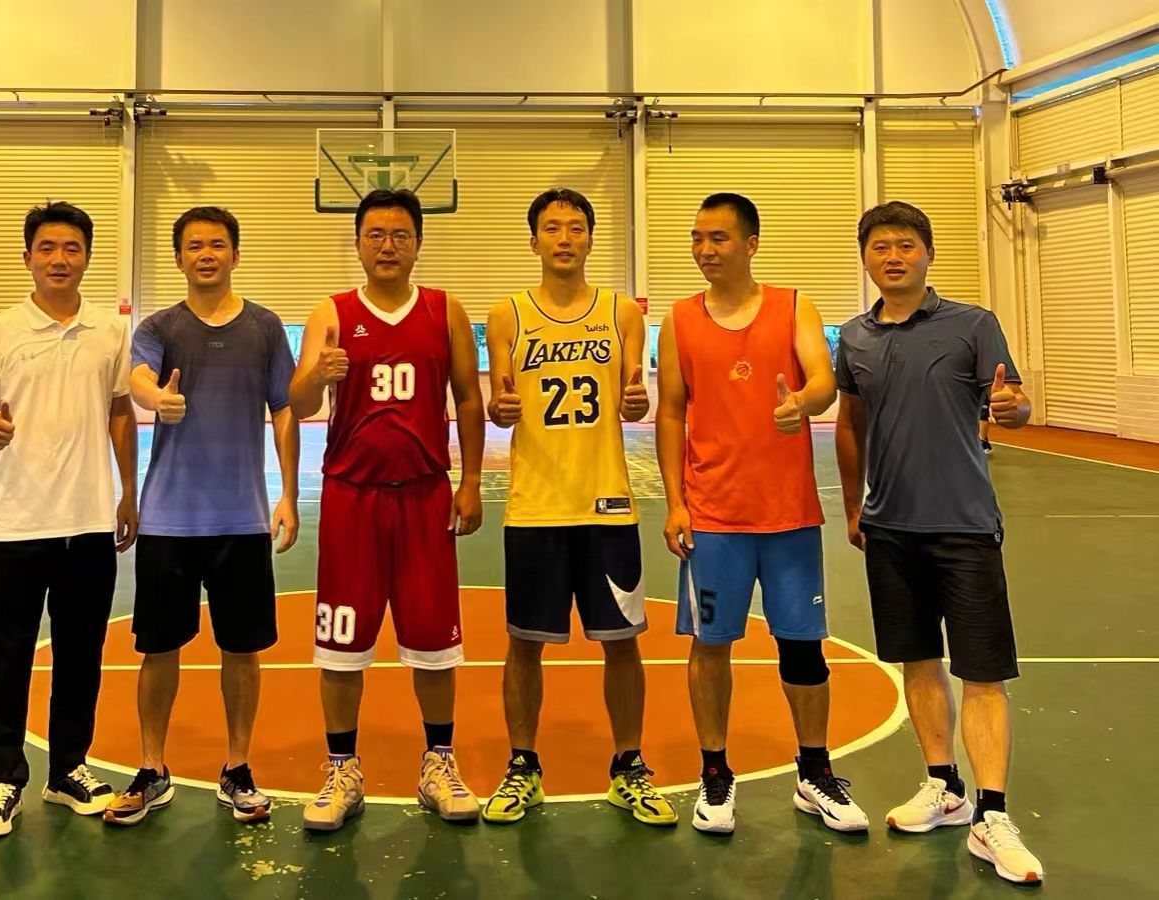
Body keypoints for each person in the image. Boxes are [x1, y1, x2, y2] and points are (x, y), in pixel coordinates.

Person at [835, 201, 1042, 884]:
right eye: (880, 247)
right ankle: (944, 787)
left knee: (982, 672)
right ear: (865, 258)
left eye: (905, 245)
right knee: (918, 661)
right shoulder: (855, 338)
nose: (892, 257)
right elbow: (850, 422)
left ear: (928, 253)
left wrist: (1013, 409)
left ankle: (993, 815)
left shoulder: (973, 325)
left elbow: (1013, 402)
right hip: (890, 529)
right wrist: (855, 505)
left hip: (965, 526)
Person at [655, 192, 868, 834]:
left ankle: (814, 772)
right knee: (710, 646)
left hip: (788, 515)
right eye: (697, 238)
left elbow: (824, 381)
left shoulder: (794, 305)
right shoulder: (679, 319)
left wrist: (802, 402)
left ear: (751, 243)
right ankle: (715, 772)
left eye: (718, 237)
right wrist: (675, 502)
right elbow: (671, 411)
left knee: (802, 647)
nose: (705, 249)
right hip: (713, 515)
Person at [289, 189, 485, 832]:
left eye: (400, 234)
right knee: (340, 646)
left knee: (435, 643)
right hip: (352, 496)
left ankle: (439, 763)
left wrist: (471, 480)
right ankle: (341, 769)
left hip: (425, 495)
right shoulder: (332, 312)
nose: (388, 245)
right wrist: (318, 373)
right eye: (375, 234)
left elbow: (468, 398)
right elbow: (296, 400)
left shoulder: (445, 310)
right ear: (357, 243)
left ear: (418, 243)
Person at [481, 188, 675, 826]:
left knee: (622, 644)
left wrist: (637, 403)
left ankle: (629, 767)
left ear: (591, 238)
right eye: (551, 228)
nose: (564, 238)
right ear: (533, 240)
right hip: (535, 506)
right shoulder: (507, 313)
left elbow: (634, 395)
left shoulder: (621, 312)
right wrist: (499, 410)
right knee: (524, 644)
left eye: (575, 228)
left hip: (607, 505)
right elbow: (499, 404)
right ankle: (523, 767)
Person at [103, 206, 300, 827]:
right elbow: (138, 377)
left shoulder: (266, 327)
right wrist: (155, 398)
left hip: (242, 520)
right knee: (159, 649)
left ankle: (238, 767)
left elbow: (284, 409)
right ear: (179, 258)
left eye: (217, 244)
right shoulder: (160, 327)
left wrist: (289, 494)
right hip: (169, 521)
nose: (206, 254)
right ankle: (151, 768)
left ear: (235, 255)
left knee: (242, 651)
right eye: (194, 246)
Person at [0, 201, 138, 839]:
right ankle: (3, 780)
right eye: (47, 248)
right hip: (15, 521)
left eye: (72, 248)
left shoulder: (109, 331)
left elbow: (121, 412)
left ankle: (68, 771)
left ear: (86, 257)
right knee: (7, 657)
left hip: (87, 519)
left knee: (81, 654)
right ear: (28, 257)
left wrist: (128, 493)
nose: (60, 259)